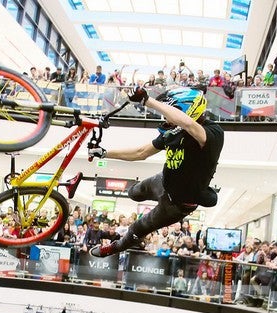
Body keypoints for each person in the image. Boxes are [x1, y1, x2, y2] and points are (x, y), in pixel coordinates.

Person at [89, 87, 224, 257]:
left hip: (177, 204)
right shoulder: (173, 131)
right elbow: (141, 153)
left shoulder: (213, 133)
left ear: (187, 110)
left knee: (138, 228)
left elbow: (189, 124)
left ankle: (115, 248)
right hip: (163, 181)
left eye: (169, 113)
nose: (165, 119)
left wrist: (147, 101)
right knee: (133, 192)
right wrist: (105, 153)